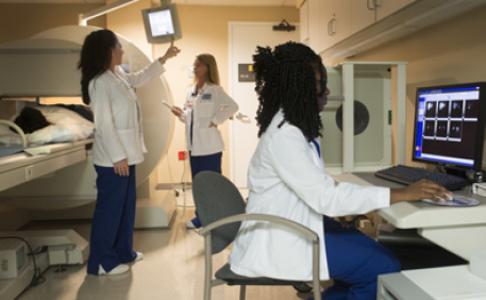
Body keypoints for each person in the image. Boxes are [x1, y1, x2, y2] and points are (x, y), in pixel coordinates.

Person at [228, 42, 451, 299]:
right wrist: (400, 194)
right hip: (284, 237)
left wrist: (345, 209)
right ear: (299, 88)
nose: (326, 90)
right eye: (318, 82)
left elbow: (317, 188)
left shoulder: (295, 126)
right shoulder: (286, 134)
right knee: (383, 267)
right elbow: (326, 198)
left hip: (296, 224)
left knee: (371, 251)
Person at [78, 29, 180, 276]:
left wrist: (164, 58)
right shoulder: (99, 82)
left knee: (125, 207)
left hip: (127, 155)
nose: (122, 51)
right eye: (118, 47)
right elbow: (104, 124)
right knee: (110, 209)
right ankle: (102, 262)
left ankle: (124, 252)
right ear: (108, 51)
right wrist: (117, 156)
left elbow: (140, 78)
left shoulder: (118, 75)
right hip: (114, 159)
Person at [171, 54, 238, 229]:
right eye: (195, 64)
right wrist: (181, 115)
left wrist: (216, 120)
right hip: (194, 147)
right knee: (198, 185)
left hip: (210, 147)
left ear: (207, 67)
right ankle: (201, 217)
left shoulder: (215, 90)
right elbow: (190, 118)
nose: (195, 67)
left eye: (198, 64)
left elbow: (233, 106)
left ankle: (216, 218)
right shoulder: (191, 91)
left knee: (212, 185)